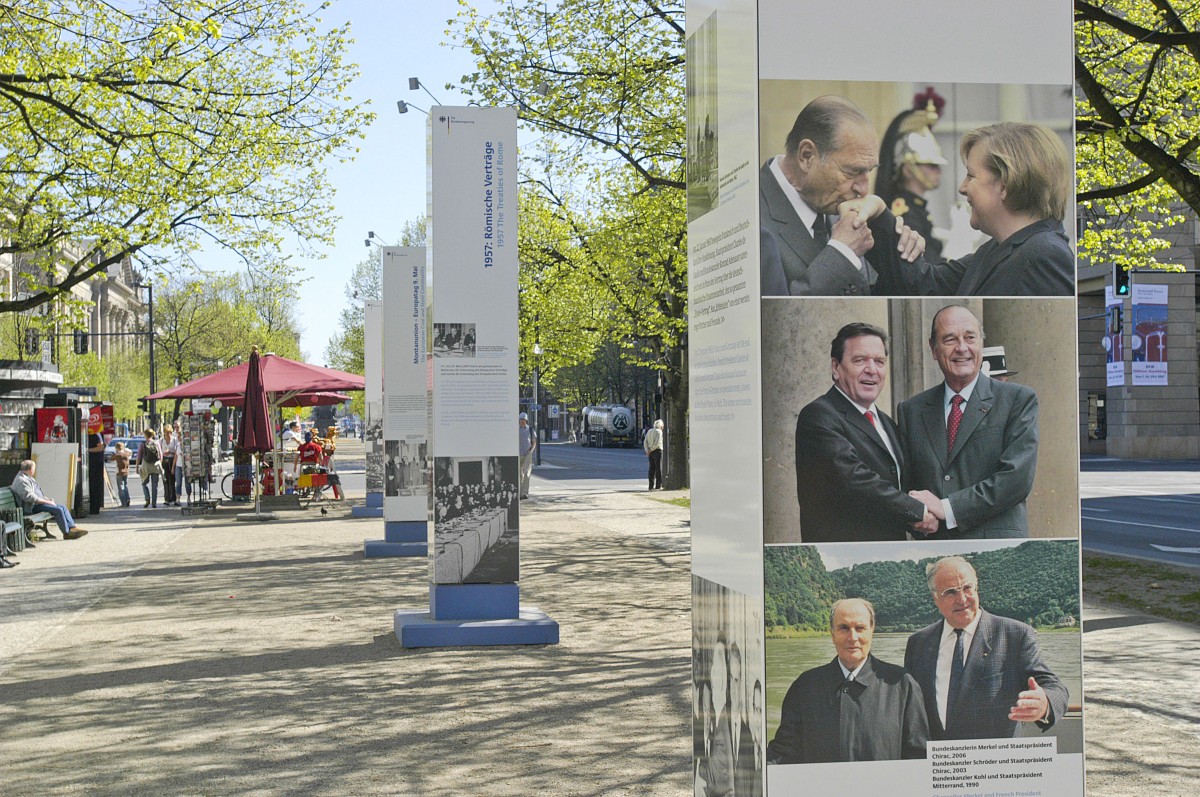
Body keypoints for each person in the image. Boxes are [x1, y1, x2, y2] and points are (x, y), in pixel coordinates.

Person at [759, 95, 926, 296]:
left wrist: (897, 249)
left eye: (869, 171)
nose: (864, 190)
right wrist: (841, 253)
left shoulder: (839, 205)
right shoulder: (751, 218)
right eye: (852, 171)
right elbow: (775, 320)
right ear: (806, 156)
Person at [897, 306, 1039, 539]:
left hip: (997, 550)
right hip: (935, 548)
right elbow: (906, 484)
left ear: (980, 344)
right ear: (933, 349)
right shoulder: (911, 410)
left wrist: (948, 508)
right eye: (950, 339)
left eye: (970, 337)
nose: (962, 348)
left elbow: (1017, 479)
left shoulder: (1017, 400)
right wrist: (915, 514)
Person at [891, 122, 1073, 296]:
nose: (962, 187)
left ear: (1004, 186)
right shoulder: (996, 249)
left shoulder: (1045, 255)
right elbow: (926, 283)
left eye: (971, 176)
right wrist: (877, 213)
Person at [904, 556, 1068, 741]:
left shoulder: (1015, 635)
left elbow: (1055, 688)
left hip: (993, 762)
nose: (962, 599)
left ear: (976, 587)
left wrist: (1045, 702)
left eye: (967, 588)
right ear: (935, 598)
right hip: (938, 763)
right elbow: (908, 705)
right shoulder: (918, 643)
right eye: (950, 592)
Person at [794, 323, 932, 542]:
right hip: (844, 558)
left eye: (879, 361)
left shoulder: (886, 423)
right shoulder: (819, 416)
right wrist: (919, 511)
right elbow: (852, 478)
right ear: (835, 367)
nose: (871, 369)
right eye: (860, 360)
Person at [767, 598, 928, 763]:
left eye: (860, 628)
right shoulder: (805, 686)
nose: (852, 637)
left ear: (872, 630)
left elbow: (919, 756)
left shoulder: (902, 685)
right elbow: (784, 753)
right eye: (844, 628)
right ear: (832, 633)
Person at [876, 90, 948, 263]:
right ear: (908, 169)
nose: (937, 171)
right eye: (931, 165)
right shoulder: (904, 213)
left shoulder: (916, 208)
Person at [10, 460, 88, 540]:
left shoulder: (28, 477)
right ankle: (66, 533)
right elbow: (29, 497)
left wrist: (47, 499)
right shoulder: (22, 480)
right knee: (58, 510)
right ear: (31, 469)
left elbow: (37, 494)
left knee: (62, 507)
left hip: (36, 504)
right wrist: (47, 502)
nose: (34, 470)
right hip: (30, 508)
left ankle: (72, 527)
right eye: (34, 468)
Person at [136, 428, 163, 508]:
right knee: (155, 485)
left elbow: (139, 456)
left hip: (146, 466)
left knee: (144, 483)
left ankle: (147, 498)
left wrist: (137, 466)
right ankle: (154, 503)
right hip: (155, 466)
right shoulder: (156, 443)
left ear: (145, 435)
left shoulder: (143, 444)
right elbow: (160, 455)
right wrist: (159, 464)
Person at [87, 427, 105, 513]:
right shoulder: (90, 434)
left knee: (94, 484)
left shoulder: (96, 434)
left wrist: (87, 450)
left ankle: (94, 507)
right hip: (91, 463)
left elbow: (101, 447)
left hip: (95, 463)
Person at [518, 412, 536, 499]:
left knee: (526, 473)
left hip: (527, 453)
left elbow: (534, 441)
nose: (522, 421)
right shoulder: (516, 429)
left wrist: (531, 450)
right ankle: (519, 492)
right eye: (520, 420)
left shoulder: (530, 430)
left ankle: (524, 493)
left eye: (523, 420)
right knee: (519, 474)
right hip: (518, 454)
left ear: (526, 420)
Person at [161, 424, 179, 506]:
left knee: (172, 480)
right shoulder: (161, 440)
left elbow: (176, 452)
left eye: (169, 433)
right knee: (165, 480)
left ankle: (173, 498)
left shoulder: (174, 440)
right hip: (164, 460)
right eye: (166, 433)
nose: (168, 434)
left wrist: (170, 452)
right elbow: (160, 451)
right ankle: (167, 498)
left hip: (172, 460)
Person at [643, 419, 665, 490]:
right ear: (660, 426)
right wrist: (652, 449)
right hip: (657, 451)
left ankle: (650, 485)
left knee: (651, 468)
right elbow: (657, 443)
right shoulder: (659, 432)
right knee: (658, 468)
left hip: (650, 452)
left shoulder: (649, 431)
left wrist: (647, 450)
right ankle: (658, 485)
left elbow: (645, 441)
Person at [112, 441, 132, 507]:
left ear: (116, 448)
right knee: (125, 486)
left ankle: (123, 503)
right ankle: (127, 499)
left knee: (121, 488)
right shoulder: (127, 454)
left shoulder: (117, 455)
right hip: (126, 472)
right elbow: (130, 452)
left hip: (119, 473)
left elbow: (111, 459)